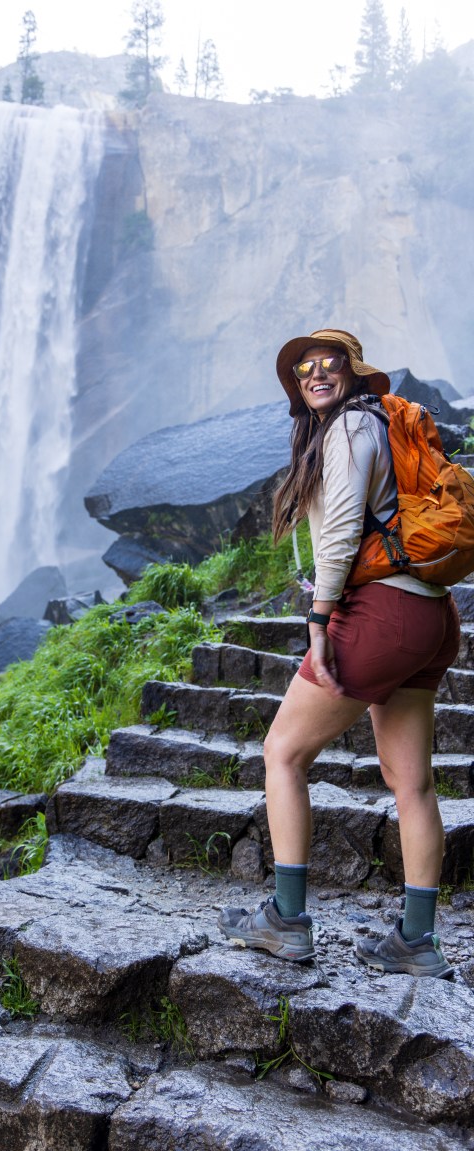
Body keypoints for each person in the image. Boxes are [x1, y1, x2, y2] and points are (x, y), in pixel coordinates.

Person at [219, 328, 459, 978]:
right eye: (304, 369)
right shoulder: (375, 424)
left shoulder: (351, 428)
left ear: (354, 372)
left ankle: (287, 920)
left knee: (283, 752)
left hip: (380, 615)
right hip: (428, 613)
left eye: (329, 364)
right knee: (411, 781)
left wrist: (321, 618)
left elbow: (347, 524)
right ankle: (416, 939)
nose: (316, 373)